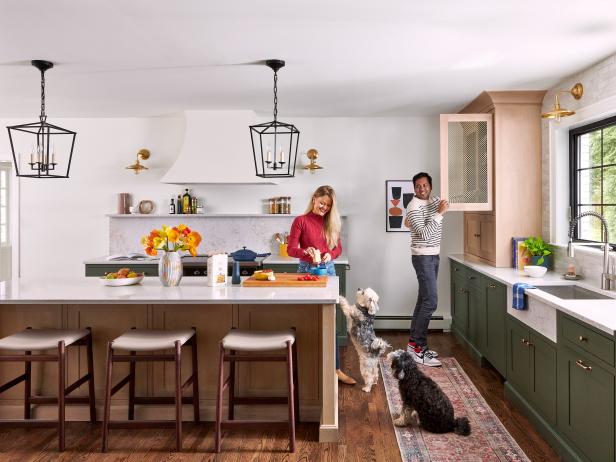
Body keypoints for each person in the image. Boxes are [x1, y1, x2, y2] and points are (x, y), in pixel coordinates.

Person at [287, 185, 356, 385]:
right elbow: (291, 249)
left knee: (330, 320)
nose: (324, 207)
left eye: (328, 205)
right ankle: (308, 369)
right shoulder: (301, 221)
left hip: (328, 270)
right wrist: (305, 252)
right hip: (306, 270)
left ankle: (335, 370)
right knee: (306, 320)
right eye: (322, 203)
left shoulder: (331, 222)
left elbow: (338, 248)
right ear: (314, 198)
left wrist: (329, 254)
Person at [404, 172, 449, 367]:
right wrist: (439, 214)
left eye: (425, 185)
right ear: (414, 188)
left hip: (433, 255)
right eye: (418, 186)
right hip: (423, 256)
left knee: (423, 299)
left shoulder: (434, 201)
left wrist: (438, 210)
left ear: (431, 186)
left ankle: (413, 345)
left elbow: (450, 200)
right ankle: (419, 349)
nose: (422, 189)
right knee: (431, 302)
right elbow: (423, 234)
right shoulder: (413, 206)